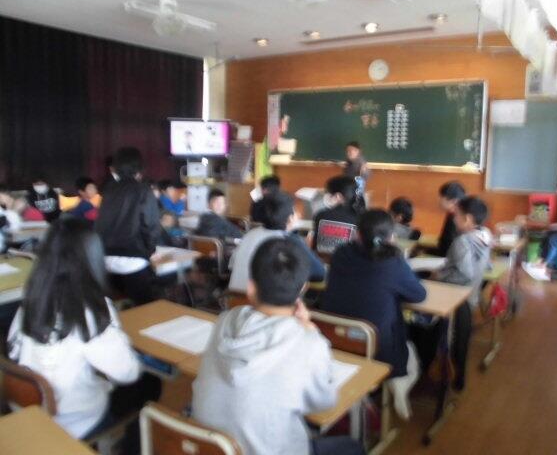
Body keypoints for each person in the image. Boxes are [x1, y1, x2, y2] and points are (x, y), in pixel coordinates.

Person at [193, 238, 364, 455]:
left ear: (251, 288)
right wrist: (310, 330)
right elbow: (324, 403)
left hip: (210, 448)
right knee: (352, 448)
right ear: (303, 288)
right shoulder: (309, 342)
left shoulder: (225, 320)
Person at [7, 218, 160, 443]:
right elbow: (127, 373)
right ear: (93, 256)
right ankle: (129, 445)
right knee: (150, 384)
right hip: (75, 423)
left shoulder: (31, 301)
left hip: (28, 413)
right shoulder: (90, 310)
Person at [322, 209, 426, 419]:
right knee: (410, 349)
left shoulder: (341, 253)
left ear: (357, 234)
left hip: (336, 337)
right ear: (391, 237)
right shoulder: (393, 262)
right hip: (376, 345)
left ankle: (368, 394)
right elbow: (419, 295)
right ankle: (397, 385)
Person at [433, 196, 492, 391]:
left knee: (452, 338)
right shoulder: (486, 234)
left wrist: (439, 275)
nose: (453, 218)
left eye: (456, 215)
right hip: (472, 295)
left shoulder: (462, 241)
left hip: (456, 295)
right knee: (462, 339)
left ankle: (446, 377)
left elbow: (464, 274)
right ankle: (459, 379)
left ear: (467, 219)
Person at [95, 147, 161, 305]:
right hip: (133, 259)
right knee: (146, 307)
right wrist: (149, 251)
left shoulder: (108, 191)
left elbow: (100, 224)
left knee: (117, 304)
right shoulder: (143, 190)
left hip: (106, 259)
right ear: (139, 167)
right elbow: (150, 226)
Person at [229, 191, 325, 293]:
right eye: (296, 211)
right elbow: (319, 273)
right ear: (290, 218)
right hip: (265, 302)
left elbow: (231, 265)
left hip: (235, 297)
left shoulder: (250, 234)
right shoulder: (289, 240)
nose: (298, 215)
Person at [312, 176, 360, 251]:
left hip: (322, 257)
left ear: (338, 196)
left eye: (328, 193)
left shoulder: (321, 215)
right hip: (347, 257)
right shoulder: (360, 217)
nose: (326, 196)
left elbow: (315, 246)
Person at [427, 181, 466, 257]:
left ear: (454, 201)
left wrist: (425, 251)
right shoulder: (452, 214)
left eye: (441, 197)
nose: (439, 200)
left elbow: (446, 251)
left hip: (447, 260)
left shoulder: (456, 219)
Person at [343, 142, 369, 212]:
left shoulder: (361, 164)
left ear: (358, 151)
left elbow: (360, 185)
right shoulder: (349, 162)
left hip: (355, 197)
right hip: (349, 192)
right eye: (347, 151)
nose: (348, 153)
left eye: (350, 151)